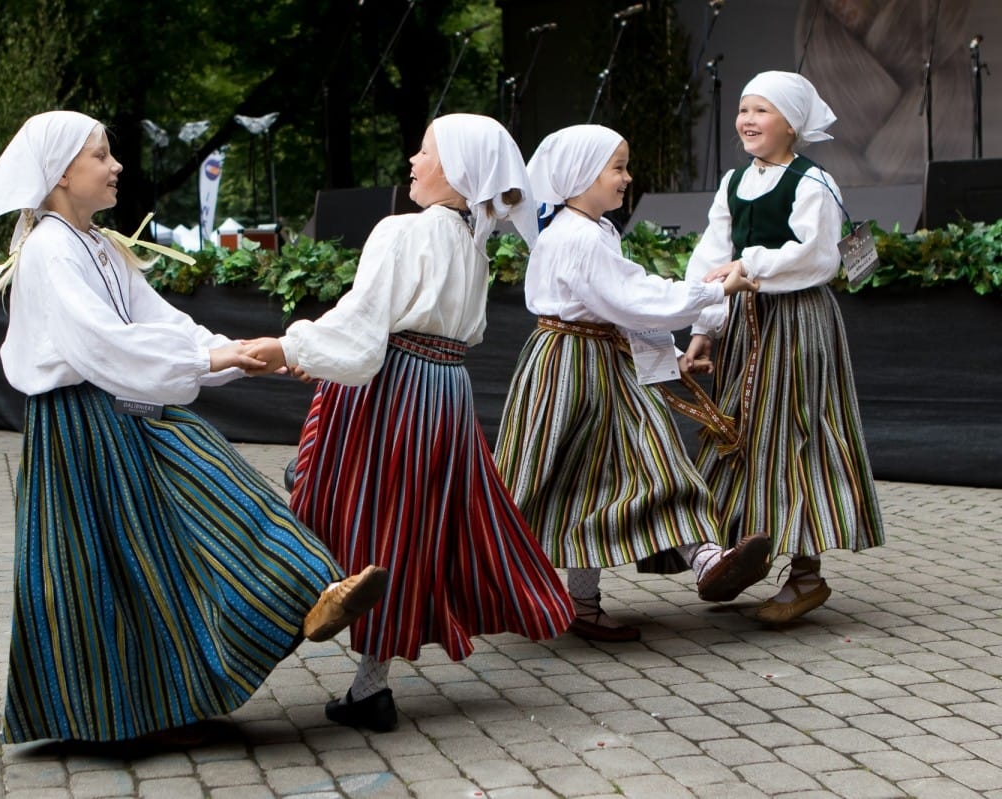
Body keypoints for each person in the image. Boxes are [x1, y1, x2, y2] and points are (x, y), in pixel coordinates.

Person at [0, 110, 388, 745]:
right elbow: (102, 344)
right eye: (101, 156)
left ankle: (309, 590)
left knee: (216, 485)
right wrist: (211, 359)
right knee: (107, 567)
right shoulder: (47, 250)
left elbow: (159, 320)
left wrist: (230, 351)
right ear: (62, 173)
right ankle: (100, 709)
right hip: (80, 425)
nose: (116, 165)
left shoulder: (98, 243)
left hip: (124, 404)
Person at [246, 113, 575, 733]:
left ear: (458, 170)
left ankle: (284, 607)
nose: (412, 162)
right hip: (446, 397)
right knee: (406, 528)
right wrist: (318, 349)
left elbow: (364, 329)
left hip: (389, 389)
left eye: (424, 152)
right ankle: (370, 686)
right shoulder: (473, 247)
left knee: (332, 499)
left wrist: (291, 348)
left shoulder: (401, 230)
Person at [493, 124, 771, 644]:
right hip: (573, 368)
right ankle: (486, 579)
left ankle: (699, 562)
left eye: (625, 165)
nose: (627, 177)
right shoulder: (575, 237)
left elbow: (620, 309)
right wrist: (714, 293)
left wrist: (666, 355)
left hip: (599, 358)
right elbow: (632, 299)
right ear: (579, 176)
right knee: (586, 477)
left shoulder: (593, 230)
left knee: (643, 460)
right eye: (617, 167)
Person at [682, 72, 886, 624]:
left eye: (761, 111)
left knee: (796, 433)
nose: (746, 120)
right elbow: (710, 257)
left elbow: (817, 255)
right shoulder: (733, 182)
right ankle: (743, 551)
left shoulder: (812, 182)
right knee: (747, 435)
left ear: (791, 123)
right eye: (743, 110)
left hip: (796, 323)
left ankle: (805, 574)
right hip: (747, 323)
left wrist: (752, 265)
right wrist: (702, 328)